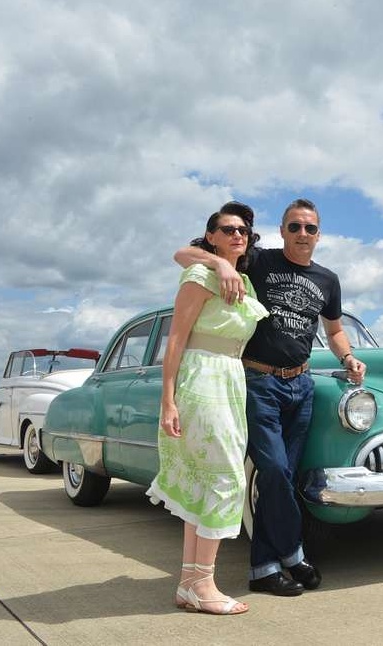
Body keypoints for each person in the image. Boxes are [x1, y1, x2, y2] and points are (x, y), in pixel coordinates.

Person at [175, 198, 366, 597]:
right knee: (275, 472)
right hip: (259, 381)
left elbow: (333, 331)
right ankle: (293, 553)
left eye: (309, 228)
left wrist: (348, 357)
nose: (302, 234)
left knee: (282, 480)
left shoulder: (328, 280)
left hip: (302, 384)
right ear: (282, 231)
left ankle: (264, 568)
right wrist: (222, 264)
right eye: (294, 227)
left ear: (318, 234)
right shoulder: (259, 261)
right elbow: (184, 252)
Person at [147, 202, 268, 615]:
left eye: (244, 231)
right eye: (228, 229)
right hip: (202, 378)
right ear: (211, 236)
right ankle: (204, 582)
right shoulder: (199, 274)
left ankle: (190, 583)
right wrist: (168, 399)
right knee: (226, 478)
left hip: (231, 379)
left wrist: (229, 269)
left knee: (209, 479)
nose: (238, 235)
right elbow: (176, 340)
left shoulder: (245, 282)